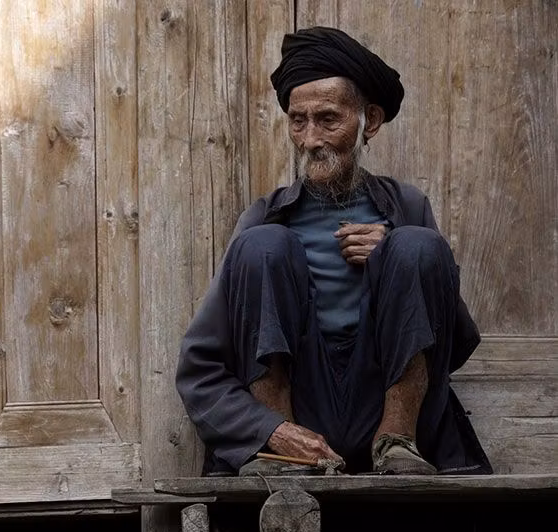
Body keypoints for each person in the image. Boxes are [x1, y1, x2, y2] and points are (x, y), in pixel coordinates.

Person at [175, 26, 492, 477]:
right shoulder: (264, 219)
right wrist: (266, 429)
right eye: (297, 121)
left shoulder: (408, 208)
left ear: (371, 121)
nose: (310, 139)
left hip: (381, 398)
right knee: (264, 246)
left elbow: (454, 341)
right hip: (294, 413)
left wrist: (392, 258)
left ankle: (396, 441)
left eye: (328, 119)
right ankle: (285, 453)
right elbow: (200, 367)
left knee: (417, 246)